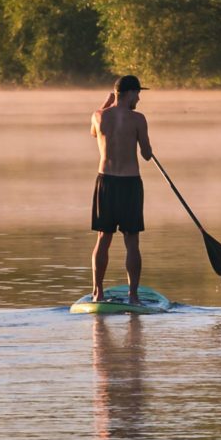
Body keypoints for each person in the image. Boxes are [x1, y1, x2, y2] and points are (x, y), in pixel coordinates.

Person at [89, 74, 153, 303]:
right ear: (129, 93)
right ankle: (133, 296)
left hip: (105, 182)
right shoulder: (138, 119)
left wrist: (106, 103)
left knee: (103, 238)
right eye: (138, 93)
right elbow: (146, 155)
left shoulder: (98, 116)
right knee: (132, 241)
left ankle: (98, 293)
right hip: (129, 184)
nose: (139, 98)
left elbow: (93, 132)